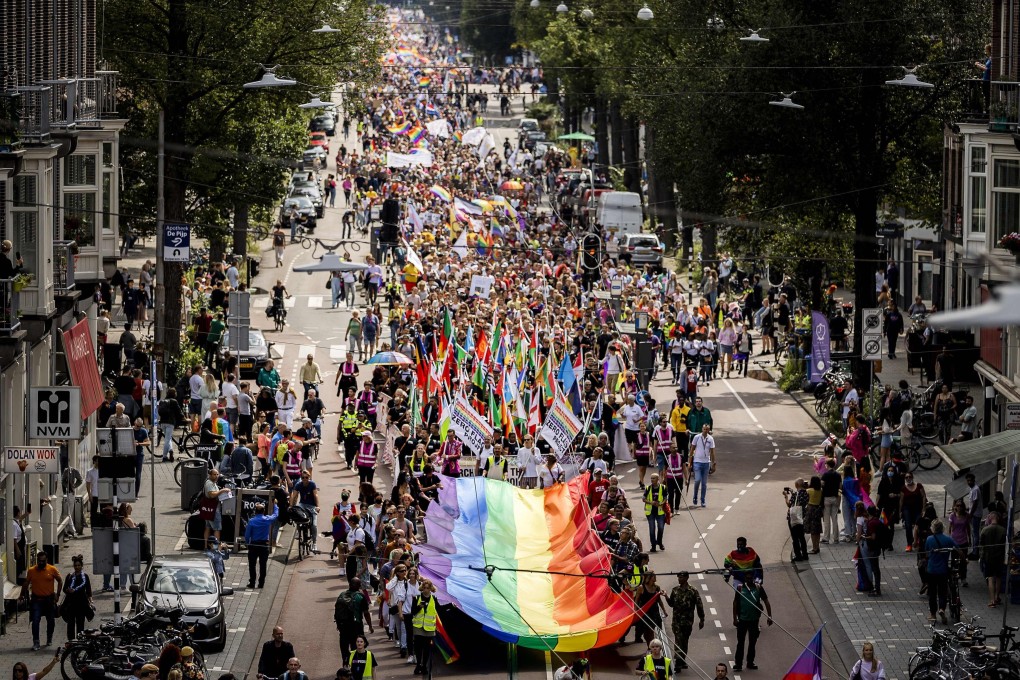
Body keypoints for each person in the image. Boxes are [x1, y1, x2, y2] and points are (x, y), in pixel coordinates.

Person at [22, 550, 62, 650]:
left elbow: (60, 581)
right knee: (35, 620)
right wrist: (22, 594)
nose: (41, 563)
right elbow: (26, 583)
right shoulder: (31, 571)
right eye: (39, 561)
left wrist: (57, 595)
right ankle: (36, 642)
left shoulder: (52, 569)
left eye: (43, 561)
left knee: (51, 620)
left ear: (46, 560)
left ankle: (49, 637)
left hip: (49, 600)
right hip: (36, 600)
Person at [665, 571, 704, 670]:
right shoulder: (675, 590)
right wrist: (666, 596)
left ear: (687, 578)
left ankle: (682, 660)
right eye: (678, 578)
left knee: (685, 641)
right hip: (676, 621)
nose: (679, 579)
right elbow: (671, 604)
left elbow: (699, 605)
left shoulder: (693, 591)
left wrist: (701, 619)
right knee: (678, 639)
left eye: (681, 577)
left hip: (688, 621)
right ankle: (678, 661)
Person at [732, 578, 772, 672]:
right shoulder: (740, 588)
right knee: (740, 642)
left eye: (751, 576)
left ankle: (750, 662)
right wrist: (734, 618)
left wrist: (769, 616)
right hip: (742, 620)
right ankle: (738, 663)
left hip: (754, 621)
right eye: (747, 576)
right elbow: (735, 603)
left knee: (752, 642)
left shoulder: (758, 588)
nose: (749, 579)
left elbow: (766, 601)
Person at [335, 577, 373, 660]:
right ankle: (355, 664)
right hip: (356, 626)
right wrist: (370, 626)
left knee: (344, 646)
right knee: (355, 646)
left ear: (349, 585)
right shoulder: (360, 596)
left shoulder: (342, 595)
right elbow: (366, 613)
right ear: (359, 586)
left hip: (343, 626)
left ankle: (345, 663)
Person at [925, 519, 955, 624]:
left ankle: (933, 614)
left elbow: (927, 553)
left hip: (931, 570)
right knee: (943, 592)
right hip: (943, 570)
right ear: (942, 528)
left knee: (932, 593)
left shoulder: (929, 539)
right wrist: (965, 559)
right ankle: (942, 609)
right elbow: (958, 549)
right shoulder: (948, 539)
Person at [245, 501, 280, 589]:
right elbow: (276, 515)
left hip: (253, 545)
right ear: (264, 511)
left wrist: (247, 543)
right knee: (263, 565)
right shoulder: (267, 519)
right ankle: (261, 584)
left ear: (255, 511)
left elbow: (247, 535)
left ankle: (252, 582)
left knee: (252, 565)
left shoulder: (251, 521)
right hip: (264, 545)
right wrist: (275, 505)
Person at [59, 554, 93, 641]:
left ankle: (80, 640)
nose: (77, 567)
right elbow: (64, 588)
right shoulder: (70, 576)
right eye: (75, 565)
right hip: (71, 603)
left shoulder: (85, 577)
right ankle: (71, 640)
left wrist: (91, 601)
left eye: (79, 565)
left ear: (82, 566)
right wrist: (68, 590)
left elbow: (88, 590)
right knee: (70, 624)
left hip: (81, 604)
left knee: (80, 623)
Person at [410, 579, 439, 675]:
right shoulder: (417, 598)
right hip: (418, 626)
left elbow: (438, 612)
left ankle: (424, 666)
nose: (426, 590)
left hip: (429, 627)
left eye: (428, 588)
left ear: (431, 589)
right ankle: (418, 664)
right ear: (422, 588)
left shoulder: (434, 599)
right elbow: (413, 611)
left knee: (427, 648)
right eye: (424, 588)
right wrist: (419, 606)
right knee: (418, 647)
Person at [980, 512, 1007, 608]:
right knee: (998, 577)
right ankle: (996, 596)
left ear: (990, 518)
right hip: (999, 557)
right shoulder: (1003, 530)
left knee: (990, 578)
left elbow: (981, 543)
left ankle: (992, 600)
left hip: (988, 557)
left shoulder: (985, 530)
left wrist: (982, 556)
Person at [688, 423, 715, 508]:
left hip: (706, 462)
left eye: (707, 429)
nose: (705, 431)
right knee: (697, 480)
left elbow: (712, 452)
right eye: (704, 429)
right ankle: (695, 496)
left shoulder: (710, 439)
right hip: (697, 462)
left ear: (709, 430)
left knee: (704, 483)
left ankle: (702, 499)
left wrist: (713, 463)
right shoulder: (697, 437)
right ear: (702, 429)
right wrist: (689, 462)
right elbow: (692, 450)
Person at [644, 473, 667, 552]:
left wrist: (661, 503)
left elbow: (665, 498)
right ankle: (653, 545)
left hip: (660, 512)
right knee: (652, 529)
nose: (652, 480)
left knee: (661, 528)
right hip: (650, 512)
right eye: (651, 478)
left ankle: (659, 542)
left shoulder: (663, 487)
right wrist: (651, 502)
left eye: (654, 478)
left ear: (658, 479)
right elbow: (643, 499)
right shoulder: (648, 488)